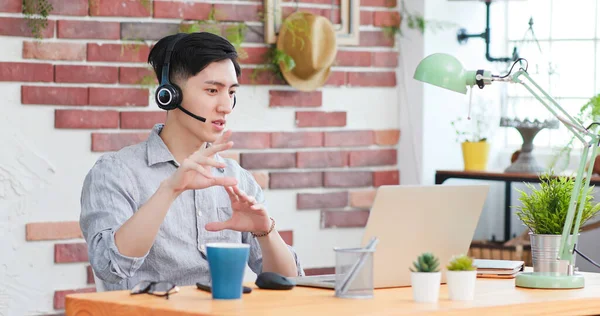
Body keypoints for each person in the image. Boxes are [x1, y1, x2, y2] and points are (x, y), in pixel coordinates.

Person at [79, 32, 304, 291]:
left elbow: (289, 283)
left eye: (231, 92)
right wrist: (169, 189)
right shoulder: (116, 173)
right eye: (212, 90)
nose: (226, 106)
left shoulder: (235, 177)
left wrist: (265, 231)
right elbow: (109, 267)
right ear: (169, 94)